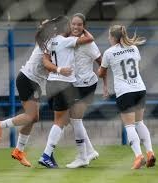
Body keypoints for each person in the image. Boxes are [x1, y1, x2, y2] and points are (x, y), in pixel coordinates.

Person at [0, 20, 71, 167]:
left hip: (34, 82)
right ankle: (0, 125)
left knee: (33, 119)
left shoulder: (48, 40)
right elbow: (48, 65)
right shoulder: (49, 42)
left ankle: (18, 151)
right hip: (28, 79)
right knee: (31, 116)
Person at [35, 15, 94, 168]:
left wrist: (58, 69)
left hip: (51, 83)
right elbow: (89, 38)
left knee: (65, 120)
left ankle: (86, 152)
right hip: (65, 84)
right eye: (70, 25)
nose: (72, 27)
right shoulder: (66, 41)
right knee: (63, 121)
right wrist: (82, 28)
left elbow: (45, 62)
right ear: (65, 27)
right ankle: (47, 155)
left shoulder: (50, 41)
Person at [98, 25, 156, 169]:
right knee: (140, 123)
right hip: (140, 88)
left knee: (129, 126)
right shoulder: (134, 48)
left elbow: (101, 72)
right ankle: (150, 152)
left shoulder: (109, 52)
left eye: (109, 36)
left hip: (125, 91)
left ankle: (139, 156)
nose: (108, 39)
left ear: (113, 37)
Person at [65, 13, 108, 169]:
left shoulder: (89, 44)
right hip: (74, 85)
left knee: (75, 119)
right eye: (73, 24)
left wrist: (105, 84)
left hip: (87, 85)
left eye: (79, 24)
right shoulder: (68, 41)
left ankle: (83, 157)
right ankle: (90, 151)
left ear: (84, 26)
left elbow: (102, 63)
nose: (76, 27)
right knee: (74, 120)